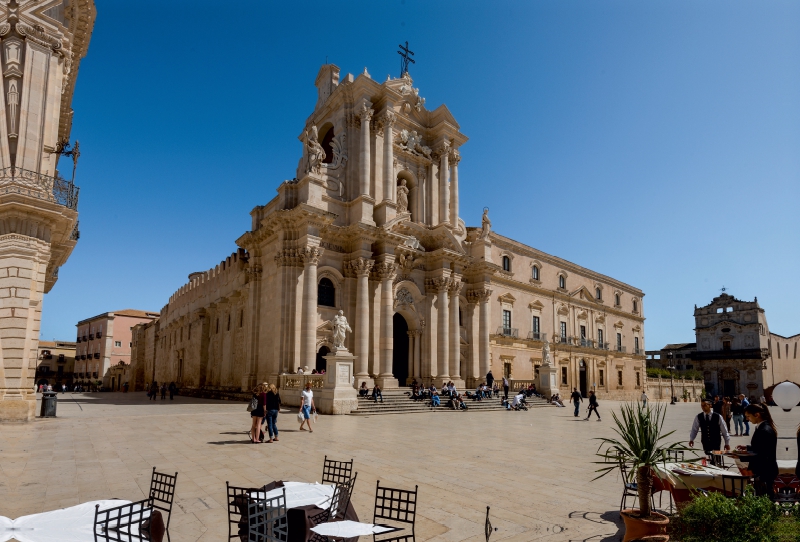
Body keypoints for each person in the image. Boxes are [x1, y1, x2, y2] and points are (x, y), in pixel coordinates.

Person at [736, 403, 778, 498]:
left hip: (765, 471)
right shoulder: (762, 427)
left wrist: (741, 456)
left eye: (748, 416)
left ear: (757, 415)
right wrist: (747, 448)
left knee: (765, 497)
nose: (747, 419)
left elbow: (762, 454)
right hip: (763, 470)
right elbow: (760, 446)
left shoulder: (765, 430)